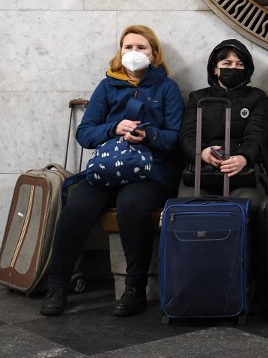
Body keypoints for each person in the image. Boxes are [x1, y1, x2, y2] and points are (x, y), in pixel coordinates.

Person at [41, 25, 183, 317]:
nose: (134, 53)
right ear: (120, 52)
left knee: (132, 206)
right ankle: (57, 285)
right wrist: (114, 128)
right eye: (128, 47)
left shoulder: (167, 87)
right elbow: (86, 133)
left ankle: (135, 290)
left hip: (150, 170)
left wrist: (149, 135)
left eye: (141, 47)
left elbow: (177, 139)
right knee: (77, 206)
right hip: (109, 169)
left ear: (154, 54)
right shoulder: (108, 86)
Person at [179, 39, 268, 205]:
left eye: (239, 64)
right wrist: (202, 153)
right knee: (189, 203)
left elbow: (256, 135)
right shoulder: (198, 98)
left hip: (242, 171)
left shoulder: (257, 97)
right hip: (203, 170)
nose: (233, 68)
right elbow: (187, 135)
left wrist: (243, 157)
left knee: (247, 204)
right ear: (215, 69)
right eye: (227, 63)